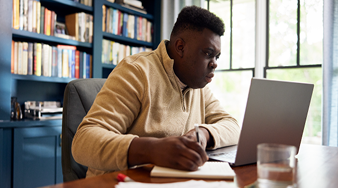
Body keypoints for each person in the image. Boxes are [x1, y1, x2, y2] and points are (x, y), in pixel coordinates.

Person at [72, 5, 240, 178]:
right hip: (119, 182)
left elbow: (233, 126)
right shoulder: (136, 71)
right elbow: (83, 141)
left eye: (216, 56)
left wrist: (204, 134)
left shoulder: (197, 86)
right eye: (208, 53)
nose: (214, 63)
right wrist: (150, 150)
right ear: (180, 47)